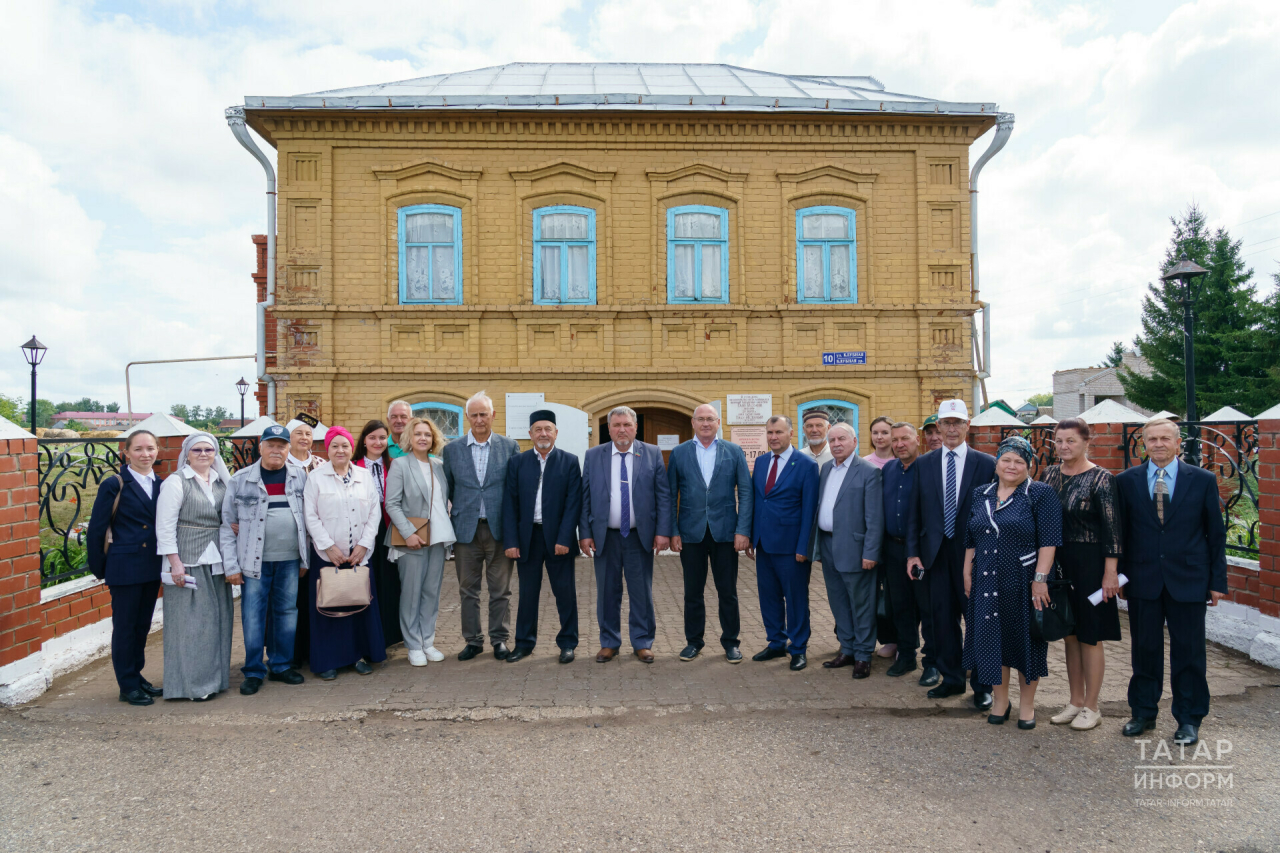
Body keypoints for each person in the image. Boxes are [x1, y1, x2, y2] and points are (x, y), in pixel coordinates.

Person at [1116, 417, 1227, 746]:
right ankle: (1143, 712)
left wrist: (1217, 580)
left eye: (1166, 438)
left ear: (1179, 444)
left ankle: (1189, 719)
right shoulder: (1127, 481)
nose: (1159, 444)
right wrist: (1119, 575)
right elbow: (1120, 534)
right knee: (1144, 649)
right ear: (1144, 444)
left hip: (1190, 578)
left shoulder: (1203, 480)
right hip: (1143, 578)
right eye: (1153, 439)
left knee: (1189, 652)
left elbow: (1215, 534)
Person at [962, 436, 1063, 729]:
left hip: (1023, 581)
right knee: (993, 640)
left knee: (1026, 642)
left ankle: (1028, 706)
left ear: (1029, 466)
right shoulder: (982, 493)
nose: (1012, 466)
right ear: (997, 462)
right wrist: (966, 572)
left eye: (1019, 461)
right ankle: (1001, 701)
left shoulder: (1039, 494)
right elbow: (972, 537)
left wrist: (1040, 580)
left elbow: (1049, 540)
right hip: (986, 579)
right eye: (1006, 459)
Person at [906, 399, 997, 710]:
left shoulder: (986, 464)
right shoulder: (923, 464)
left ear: (967, 426)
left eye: (958, 422)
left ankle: (983, 685)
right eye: (947, 423)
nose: (952, 428)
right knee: (942, 620)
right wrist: (912, 554)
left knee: (978, 621)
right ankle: (952, 679)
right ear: (939, 427)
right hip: (935, 555)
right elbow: (914, 513)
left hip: (974, 556)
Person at [1042, 418, 1123, 731]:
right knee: (1069, 634)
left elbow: (1113, 530)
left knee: (1090, 635)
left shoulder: (1101, 478)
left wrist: (1110, 573)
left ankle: (1092, 705)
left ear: (1087, 442)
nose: (1064, 446)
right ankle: (1075, 701)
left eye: (1071, 441)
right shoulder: (1050, 474)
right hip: (1058, 564)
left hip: (1091, 565)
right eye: (1059, 441)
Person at [579, 406, 673, 663]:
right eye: (617, 425)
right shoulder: (593, 455)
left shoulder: (651, 453)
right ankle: (609, 642)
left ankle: (642, 642)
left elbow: (663, 495)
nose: (622, 429)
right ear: (608, 428)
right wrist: (585, 533)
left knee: (641, 591)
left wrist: (663, 531)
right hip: (604, 537)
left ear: (635, 428)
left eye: (627, 425)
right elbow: (584, 497)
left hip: (638, 536)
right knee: (607, 592)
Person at [220, 424, 309, 695]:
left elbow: (310, 517)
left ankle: (281, 665)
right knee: (253, 616)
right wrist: (231, 566)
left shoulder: (300, 477)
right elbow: (227, 525)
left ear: (288, 448)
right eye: (270, 444)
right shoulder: (241, 479)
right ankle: (254, 670)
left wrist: (305, 560)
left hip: (290, 561)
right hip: (252, 563)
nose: (276, 450)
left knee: (286, 613)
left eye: (281, 445)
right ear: (260, 447)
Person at [667, 404, 753, 664]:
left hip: (726, 533)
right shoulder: (680, 453)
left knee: (727, 591)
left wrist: (743, 530)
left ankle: (731, 642)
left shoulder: (734, 451)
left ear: (718, 423)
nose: (705, 423)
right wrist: (672, 531)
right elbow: (671, 496)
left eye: (710, 419)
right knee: (692, 592)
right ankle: (694, 642)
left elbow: (746, 493)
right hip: (690, 533)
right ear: (693, 423)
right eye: (700, 419)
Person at [86, 430, 164, 706]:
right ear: (127, 453)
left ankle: (137, 674)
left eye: (150, 448)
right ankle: (127, 685)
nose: (146, 454)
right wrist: (100, 569)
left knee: (143, 626)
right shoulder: (115, 483)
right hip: (124, 566)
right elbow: (97, 527)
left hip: (151, 566)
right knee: (125, 627)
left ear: (157, 451)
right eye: (139, 449)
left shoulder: (162, 483)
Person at [156, 432, 235, 701]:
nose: (203, 454)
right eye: (197, 450)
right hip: (189, 561)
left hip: (217, 560)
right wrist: (174, 563)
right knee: (191, 625)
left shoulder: (221, 482)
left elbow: (228, 516)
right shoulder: (176, 483)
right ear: (187, 454)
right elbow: (165, 527)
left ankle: (214, 680)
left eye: (209, 450)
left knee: (218, 622)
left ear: (215, 454)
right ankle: (191, 686)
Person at [302, 426, 386, 680]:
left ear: (352, 448)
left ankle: (358, 656)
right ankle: (327, 660)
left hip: (359, 555)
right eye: (335, 446)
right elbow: (310, 516)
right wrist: (329, 546)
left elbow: (374, 512)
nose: (340, 450)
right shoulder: (316, 477)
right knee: (328, 608)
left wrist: (364, 544)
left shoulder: (363, 475)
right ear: (327, 449)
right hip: (327, 556)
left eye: (345, 445)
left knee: (358, 605)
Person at [442, 391, 520, 661]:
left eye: (483, 414)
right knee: (468, 590)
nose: (478, 419)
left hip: (499, 531)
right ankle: (473, 641)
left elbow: (515, 491)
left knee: (501, 590)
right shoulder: (451, 451)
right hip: (466, 531)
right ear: (467, 417)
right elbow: (449, 488)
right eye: (473, 415)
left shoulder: (510, 447)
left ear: (493, 415)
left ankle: (500, 639)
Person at [503, 410, 583, 664]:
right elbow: (509, 504)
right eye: (538, 429)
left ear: (556, 433)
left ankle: (568, 643)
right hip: (528, 539)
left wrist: (565, 538)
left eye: (548, 429)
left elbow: (573, 504)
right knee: (527, 594)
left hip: (558, 540)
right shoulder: (517, 462)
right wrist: (512, 541)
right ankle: (524, 643)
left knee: (565, 593)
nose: (543, 434)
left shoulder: (569, 462)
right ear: (530, 434)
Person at [810, 423, 883, 679]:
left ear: (854, 441)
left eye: (842, 438)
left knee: (861, 604)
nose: (836, 443)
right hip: (829, 545)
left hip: (856, 548)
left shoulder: (869, 471)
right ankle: (847, 648)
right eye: (832, 440)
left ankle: (863, 655)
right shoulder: (827, 468)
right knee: (838, 601)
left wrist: (871, 553)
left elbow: (875, 518)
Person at [749, 415, 820, 671]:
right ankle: (776, 642)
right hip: (764, 544)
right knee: (769, 598)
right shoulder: (761, 461)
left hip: (792, 547)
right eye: (769, 432)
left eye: (778, 432)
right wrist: (750, 536)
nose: (773, 437)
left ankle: (798, 648)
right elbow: (759, 501)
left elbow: (810, 509)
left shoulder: (806, 465)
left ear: (791, 434)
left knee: (796, 598)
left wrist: (804, 547)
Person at [385, 417, 456, 667]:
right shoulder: (400, 465)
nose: (423, 438)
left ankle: (428, 641)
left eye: (427, 434)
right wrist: (407, 533)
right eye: (418, 434)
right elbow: (391, 504)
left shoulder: (438, 465)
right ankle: (413, 644)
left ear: (433, 438)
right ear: (409, 438)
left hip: (437, 538)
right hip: (411, 539)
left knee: (431, 593)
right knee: (411, 594)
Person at [879, 422, 937, 684]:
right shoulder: (889, 469)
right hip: (893, 547)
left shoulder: (928, 468)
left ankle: (933, 660)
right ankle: (906, 654)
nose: (900, 444)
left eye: (905, 438)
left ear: (917, 441)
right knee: (899, 605)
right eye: (895, 440)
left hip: (922, 550)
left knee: (927, 606)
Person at [354, 419, 402, 648]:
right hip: (361, 530)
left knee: (389, 582)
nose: (378, 442)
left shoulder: (394, 465)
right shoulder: (353, 466)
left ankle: (389, 634)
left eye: (382, 438)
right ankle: (366, 635)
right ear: (364, 440)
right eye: (372, 437)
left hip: (389, 527)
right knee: (365, 581)